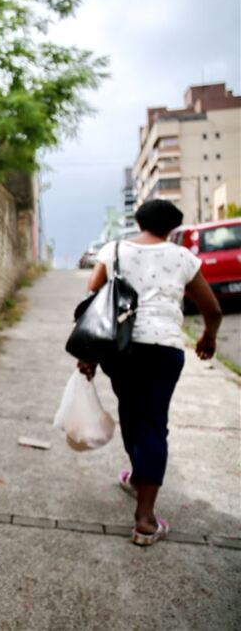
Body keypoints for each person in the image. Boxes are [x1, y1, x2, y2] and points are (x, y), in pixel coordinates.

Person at [77, 199, 222, 546]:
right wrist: (208, 337)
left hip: (122, 348)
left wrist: (91, 355)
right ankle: (145, 519)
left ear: (139, 221)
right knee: (153, 422)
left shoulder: (113, 250)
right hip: (164, 349)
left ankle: (139, 480)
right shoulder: (183, 257)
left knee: (131, 412)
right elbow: (213, 309)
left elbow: (93, 295)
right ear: (172, 227)